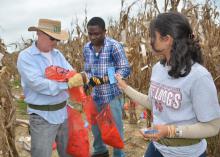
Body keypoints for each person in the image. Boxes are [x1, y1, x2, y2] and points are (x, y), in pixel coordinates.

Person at [115, 12, 220, 157]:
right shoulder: (158, 68)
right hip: (156, 148)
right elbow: (154, 103)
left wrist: (170, 131)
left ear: (167, 40)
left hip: (186, 153)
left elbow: (213, 127)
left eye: (152, 36)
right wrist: (125, 87)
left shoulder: (199, 77)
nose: (149, 41)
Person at [68, 17, 130, 157]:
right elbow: (89, 71)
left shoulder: (114, 46)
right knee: (96, 129)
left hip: (112, 96)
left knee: (115, 131)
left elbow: (124, 69)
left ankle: (119, 155)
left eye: (97, 34)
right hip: (95, 97)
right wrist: (83, 79)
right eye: (90, 34)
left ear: (104, 32)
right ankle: (100, 152)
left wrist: (104, 79)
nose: (93, 37)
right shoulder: (87, 48)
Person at [17, 19, 72, 157]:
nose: (55, 43)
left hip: (64, 113)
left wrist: (76, 78)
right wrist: (66, 83)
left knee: (69, 153)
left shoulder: (58, 55)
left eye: (57, 40)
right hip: (42, 117)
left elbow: (71, 73)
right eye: (52, 39)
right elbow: (38, 84)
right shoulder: (26, 57)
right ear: (39, 34)